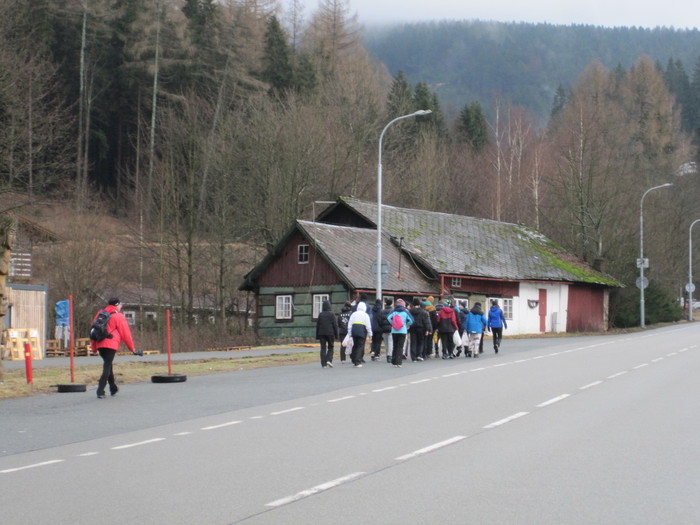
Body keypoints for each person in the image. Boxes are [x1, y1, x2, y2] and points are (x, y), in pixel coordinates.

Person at [90, 297, 141, 399]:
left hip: (100, 344)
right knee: (107, 366)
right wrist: (132, 348)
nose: (121, 306)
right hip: (111, 344)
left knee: (108, 365)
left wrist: (94, 347)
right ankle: (100, 390)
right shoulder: (118, 316)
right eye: (120, 304)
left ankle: (113, 387)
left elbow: (93, 331)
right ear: (116, 305)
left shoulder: (100, 314)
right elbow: (126, 334)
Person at [386, 299, 413, 367]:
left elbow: (388, 318)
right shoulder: (405, 311)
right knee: (400, 347)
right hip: (403, 330)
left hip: (394, 331)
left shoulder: (394, 311)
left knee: (395, 346)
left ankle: (394, 362)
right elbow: (411, 320)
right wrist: (406, 324)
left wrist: (393, 323)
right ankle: (398, 362)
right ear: (404, 305)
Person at [348, 301, 372, 367]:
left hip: (354, 330)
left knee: (355, 345)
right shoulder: (365, 315)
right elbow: (368, 326)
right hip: (362, 331)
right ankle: (358, 361)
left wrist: (349, 333)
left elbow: (349, 324)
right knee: (360, 346)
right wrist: (370, 334)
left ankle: (353, 359)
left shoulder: (353, 314)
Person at [316, 300, 338, 368]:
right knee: (331, 347)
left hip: (321, 333)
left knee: (323, 348)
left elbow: (318, 325)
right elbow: (335, 325)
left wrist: (317, 335)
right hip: (330, 333)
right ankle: (329, 360)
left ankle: (323, 364)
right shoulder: (332, 314)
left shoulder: (320, 314)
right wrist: (336, 335)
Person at [379, 297, 394, 363]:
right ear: (391, 304)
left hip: (384, 329)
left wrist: (382, 326)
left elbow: (379, 320)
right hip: (391, 328)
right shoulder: (393, 311)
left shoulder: (382, 311)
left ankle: (387, 354)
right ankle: (389, 355)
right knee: (391, 342)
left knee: (386, 343)